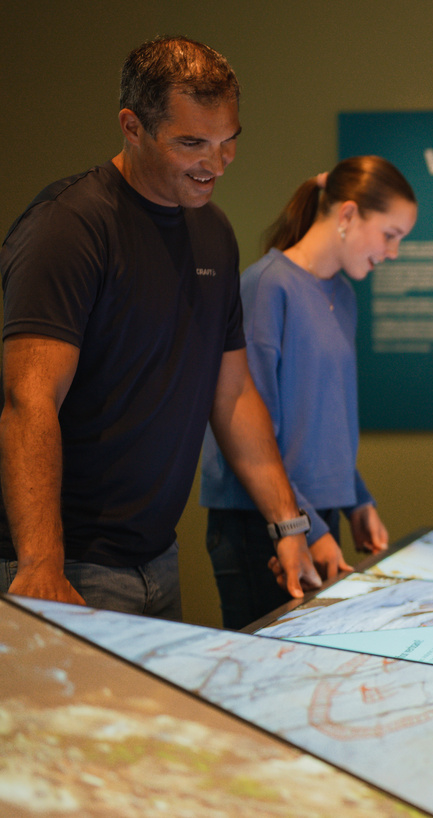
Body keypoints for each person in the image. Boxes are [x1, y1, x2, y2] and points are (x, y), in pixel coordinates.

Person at [0, 35, 332, 619]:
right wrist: (41, 563)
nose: (216, 163)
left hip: (157, 556)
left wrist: (288, 522)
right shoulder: (69, 226)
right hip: (68, 563)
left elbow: (233, 394)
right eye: (192, 144)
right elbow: (29, 399)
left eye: (228, 141)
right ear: (132, 127)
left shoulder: (213, 233)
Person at [199, 156, 417, 628]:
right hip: (261, 523)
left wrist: (357, 500)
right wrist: (309, 529)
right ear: (348, 214)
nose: (394, 252)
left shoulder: (343, 296)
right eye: (390, 234)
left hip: (319, 517)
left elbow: (324, 422)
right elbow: (248, 430)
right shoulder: (266, 287)